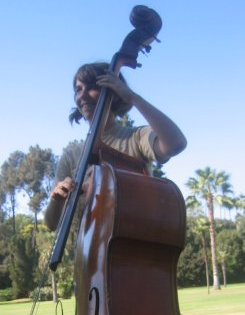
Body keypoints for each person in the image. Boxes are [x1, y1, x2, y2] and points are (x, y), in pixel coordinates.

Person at [44, 62, 187, 231]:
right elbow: (52, 224)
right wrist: (57, 199)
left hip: (133, 244)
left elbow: (176, 144)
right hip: (87, 252)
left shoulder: (136, 137)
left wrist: (133, 98)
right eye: (78, 89)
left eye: (91, 87)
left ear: (113, 91)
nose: (82, 96)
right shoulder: (71, 155)